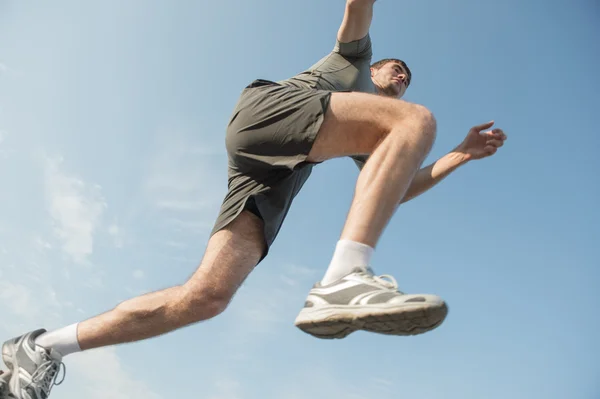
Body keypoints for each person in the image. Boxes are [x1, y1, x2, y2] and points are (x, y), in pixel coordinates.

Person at [1, 0, 507, 398]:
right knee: (417, 119)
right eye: (396, 69)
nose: (400, 77)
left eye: (406, 77)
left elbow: (401, 190)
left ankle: (38, 348)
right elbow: (358, 9)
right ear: (375, 70)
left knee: (205, 298)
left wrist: (461, 154)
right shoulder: (353, 63)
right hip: (276, 112)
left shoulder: (373, 136)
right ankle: (344, 276)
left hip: (272, 172)